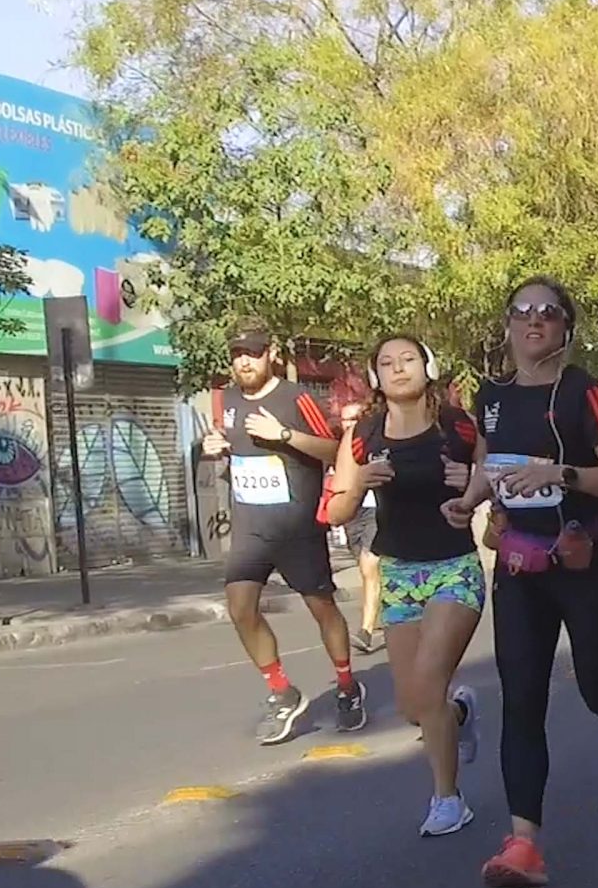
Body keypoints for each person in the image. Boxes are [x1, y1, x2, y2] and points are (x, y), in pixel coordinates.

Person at [453, 278, 598, 888]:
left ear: (566, 328)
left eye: (548, 313)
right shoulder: (491, 396)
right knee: (522, 700)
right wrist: (467, 502)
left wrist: (562, 473)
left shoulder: (585, 392)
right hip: (521, 568)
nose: (533, 322)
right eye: (521, 313)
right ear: (507, 325)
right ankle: (524, 845)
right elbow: (488, 463)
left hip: (589, 564)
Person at [324, 335, 487, 837]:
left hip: (453, 566)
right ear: (375, 376)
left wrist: (471, 483)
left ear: (428, 367)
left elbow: (494, 474)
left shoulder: (457, 424)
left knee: (429, 680)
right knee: (415, 706)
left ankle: (447, 799)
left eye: (408, 360)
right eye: (387, 363)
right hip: (398, 571)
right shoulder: (363, 433)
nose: (398, 369)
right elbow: (334, 511)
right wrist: (360, 483)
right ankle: (461, 712)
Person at [198, 318, 364, 745]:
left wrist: (285, 434)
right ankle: (282, 692)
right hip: (251, 528)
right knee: (239, 608)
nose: (244, 362)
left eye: (252, 353)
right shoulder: (228, 399)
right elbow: (236, 450)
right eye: (237, 354)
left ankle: (347, 686)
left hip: (297, 528)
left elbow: (333, 449)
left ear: (270, 354)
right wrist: (217, 448)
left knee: (322, 609)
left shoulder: (297, 397)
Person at [327, 372, 387, 656]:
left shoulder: (373, 438)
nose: (348, 424)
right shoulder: (339, 446)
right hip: (354, 512)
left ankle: (365, 630)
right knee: (369, 569)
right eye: (345, 419)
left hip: (376, 509)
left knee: (368, 565)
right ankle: (387, 611)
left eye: (354, 419)